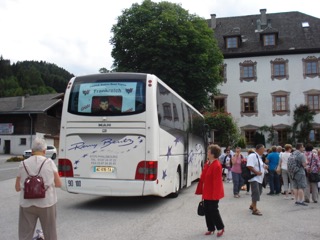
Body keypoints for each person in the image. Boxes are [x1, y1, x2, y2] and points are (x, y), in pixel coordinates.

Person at [15, 137, 62, 240]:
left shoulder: (22, 164)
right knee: (50, 234)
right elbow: (58, 184)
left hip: (26, 204)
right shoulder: (49, 163)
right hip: (47, 203)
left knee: (25, 234)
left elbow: (17, 188)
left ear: (32, 151)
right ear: (44, 151)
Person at [195, 144, 225, 237]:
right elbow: (203, 177)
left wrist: (215, 195)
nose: (207, 153)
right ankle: (211, 228)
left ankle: (220, 227)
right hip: (207, 191)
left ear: (212, 154)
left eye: (208, 151)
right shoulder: (208, 163)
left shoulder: (217, 165)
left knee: (214, 210)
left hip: (213, 192)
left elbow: (217, 182)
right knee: (207, 210)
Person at [247, 144, 268, 216]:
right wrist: (257, 172)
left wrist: (264, 166)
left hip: (259, 178)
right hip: (254, 177)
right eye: (263, 149)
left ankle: (252, 205)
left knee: (259, 192)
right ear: (258, 149)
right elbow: (249, 166)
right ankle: (255, 209)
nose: (264, 150)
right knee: (256, 192)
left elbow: (260, 165)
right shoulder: (252, 156)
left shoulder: (258, 157)